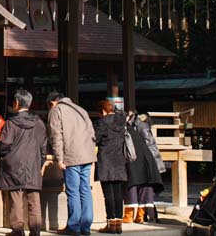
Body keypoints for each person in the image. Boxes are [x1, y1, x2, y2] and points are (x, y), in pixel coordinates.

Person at [0, 89, 48, 236]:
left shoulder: (11, 123)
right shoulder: (39, 123)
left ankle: (17, 230)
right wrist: (40, 162)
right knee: (34, 199)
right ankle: (36, 231)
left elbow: (4, 144)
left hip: (14, 164)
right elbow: (44, 146)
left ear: (16, 103)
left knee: (16, 198)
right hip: (33, 164)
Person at [47, 92, 97, 236]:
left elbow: (56, 135)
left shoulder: (57, 110)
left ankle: (73, 226)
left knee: (73, 191)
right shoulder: (81, 109)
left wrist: (59, 158)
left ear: (52, 102)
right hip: (87, 156)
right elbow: (92, 133)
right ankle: (85, 227)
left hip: (71, 156)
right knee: (85, 190)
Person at [94, 99, 127, 234]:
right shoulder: (121, 121)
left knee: (108, 194)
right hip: (119, 160)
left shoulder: (102, 122)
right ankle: (118, 224)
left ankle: (110, 224)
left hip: (106, 160)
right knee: (118, 194)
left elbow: (95, 139)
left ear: (102, 111)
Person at [125, 112, 164, 224]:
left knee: (144, 187)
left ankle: (148, 217)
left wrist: (153, 163)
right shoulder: (136, 125)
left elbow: (150, 144)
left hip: (144, 159)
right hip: (143, 159)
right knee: (146, 189)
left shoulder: (140, 125)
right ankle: (146, 217)